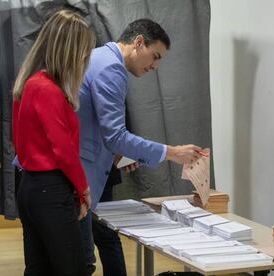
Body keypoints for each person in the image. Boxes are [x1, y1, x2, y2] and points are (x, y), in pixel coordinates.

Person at [77, 18, 208, 275]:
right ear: (138, 42)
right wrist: (172, 152)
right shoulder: (112, 68)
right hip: (74, 177)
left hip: (66, 171)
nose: (155, 66)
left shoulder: (98, 56)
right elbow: (115, 135)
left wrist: (115, 155)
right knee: (81, 263)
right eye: (155, 56)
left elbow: (90, 125)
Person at [12, 10, 95, 275]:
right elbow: (64, 151)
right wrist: (83, 190)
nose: (85, 58)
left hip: (30, 187)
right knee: (73, 268)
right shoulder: (48, 90)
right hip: (50, 188)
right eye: (84, 51)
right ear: (72, 51)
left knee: (39, 268)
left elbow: (19, 140)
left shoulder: (28, 84)